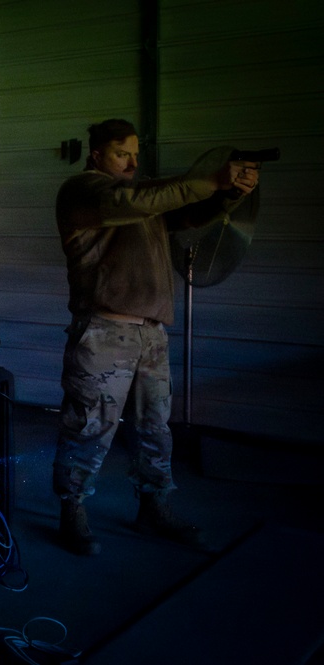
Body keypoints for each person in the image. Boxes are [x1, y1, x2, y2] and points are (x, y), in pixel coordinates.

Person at [52, 119, 260, 556]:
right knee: (90, 426)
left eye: (134, 152)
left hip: (150, 333)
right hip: (105, 332)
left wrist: (231, 193)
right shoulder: (85, 191)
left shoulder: (141, 201)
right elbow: (138, 198)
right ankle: (72, 513)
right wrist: (206, 181)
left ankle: (154, 507)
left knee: (154, 430)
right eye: (119, 153)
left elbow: (186, 214)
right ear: (96, 155)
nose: (131, 161)